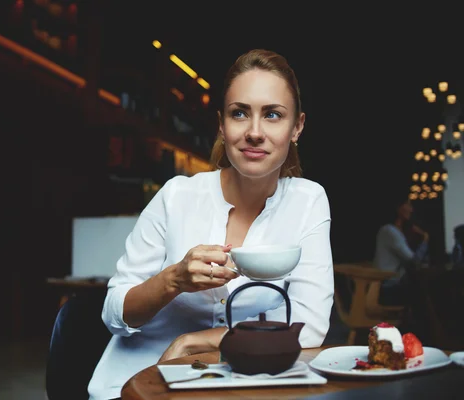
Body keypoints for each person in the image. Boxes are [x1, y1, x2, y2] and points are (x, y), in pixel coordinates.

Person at [87, 49, 334, 400]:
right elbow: (113, 314)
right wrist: (173, 280)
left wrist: (196, 341)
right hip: (139, 385)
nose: (254, 132)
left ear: (297, 127)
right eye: (239, 113)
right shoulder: (176, 196)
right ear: (221, 124)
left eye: (273, 115)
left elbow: (308, 327)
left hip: (240, 387)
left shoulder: (307, 201)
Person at [373, 195, 429, 305]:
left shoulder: (397, 232)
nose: (411, 209)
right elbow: (414, 260)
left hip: (394, 284)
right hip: (389, 286)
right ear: (398, 208)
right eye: (408, 204)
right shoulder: (389, 231)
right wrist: (425, 239)